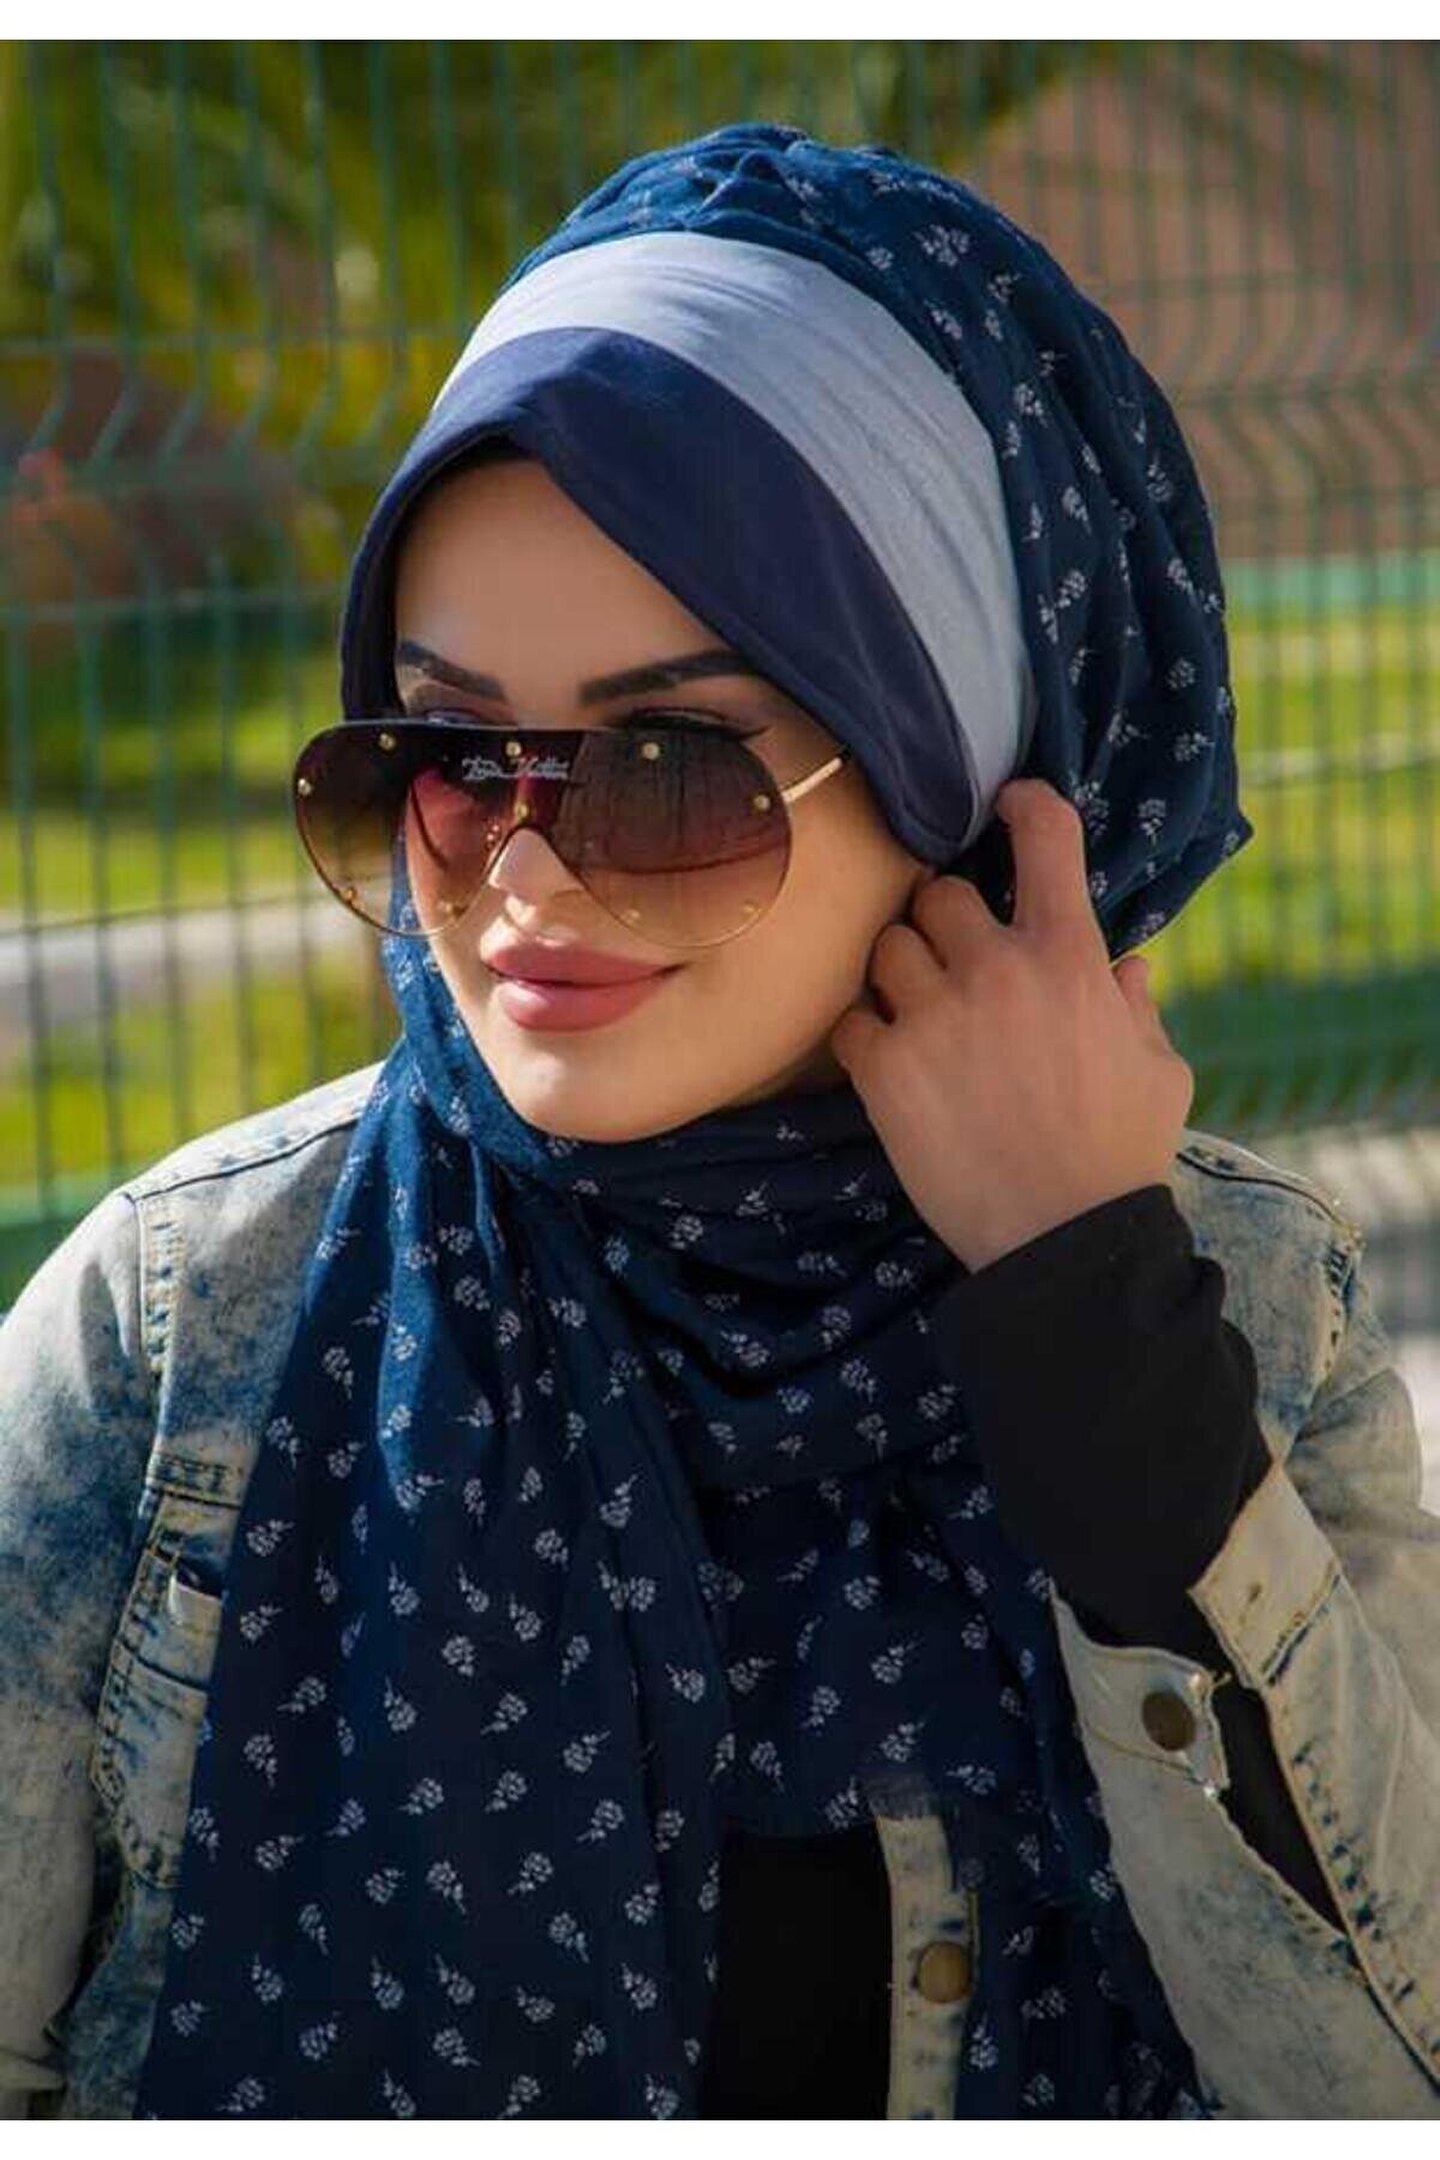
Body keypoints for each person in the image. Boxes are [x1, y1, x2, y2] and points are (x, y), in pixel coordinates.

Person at [2, 121, 1437, 2122]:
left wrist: (1093, 1329)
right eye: (447, 752)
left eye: (670, 769)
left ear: (962, 795)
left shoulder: (1240, 1313)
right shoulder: (176, 1331)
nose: (521, 876)